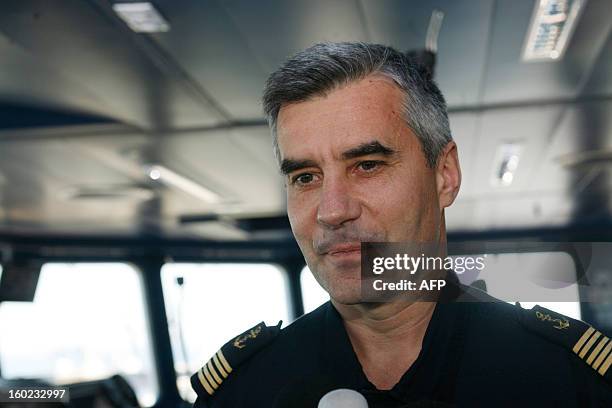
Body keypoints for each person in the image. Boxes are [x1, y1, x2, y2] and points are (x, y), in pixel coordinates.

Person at [191, 42, 612, 407]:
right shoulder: (245, 390)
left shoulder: (570, 381)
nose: (332, 210)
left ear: (444, 174)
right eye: (305, 177)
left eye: (367, 165)